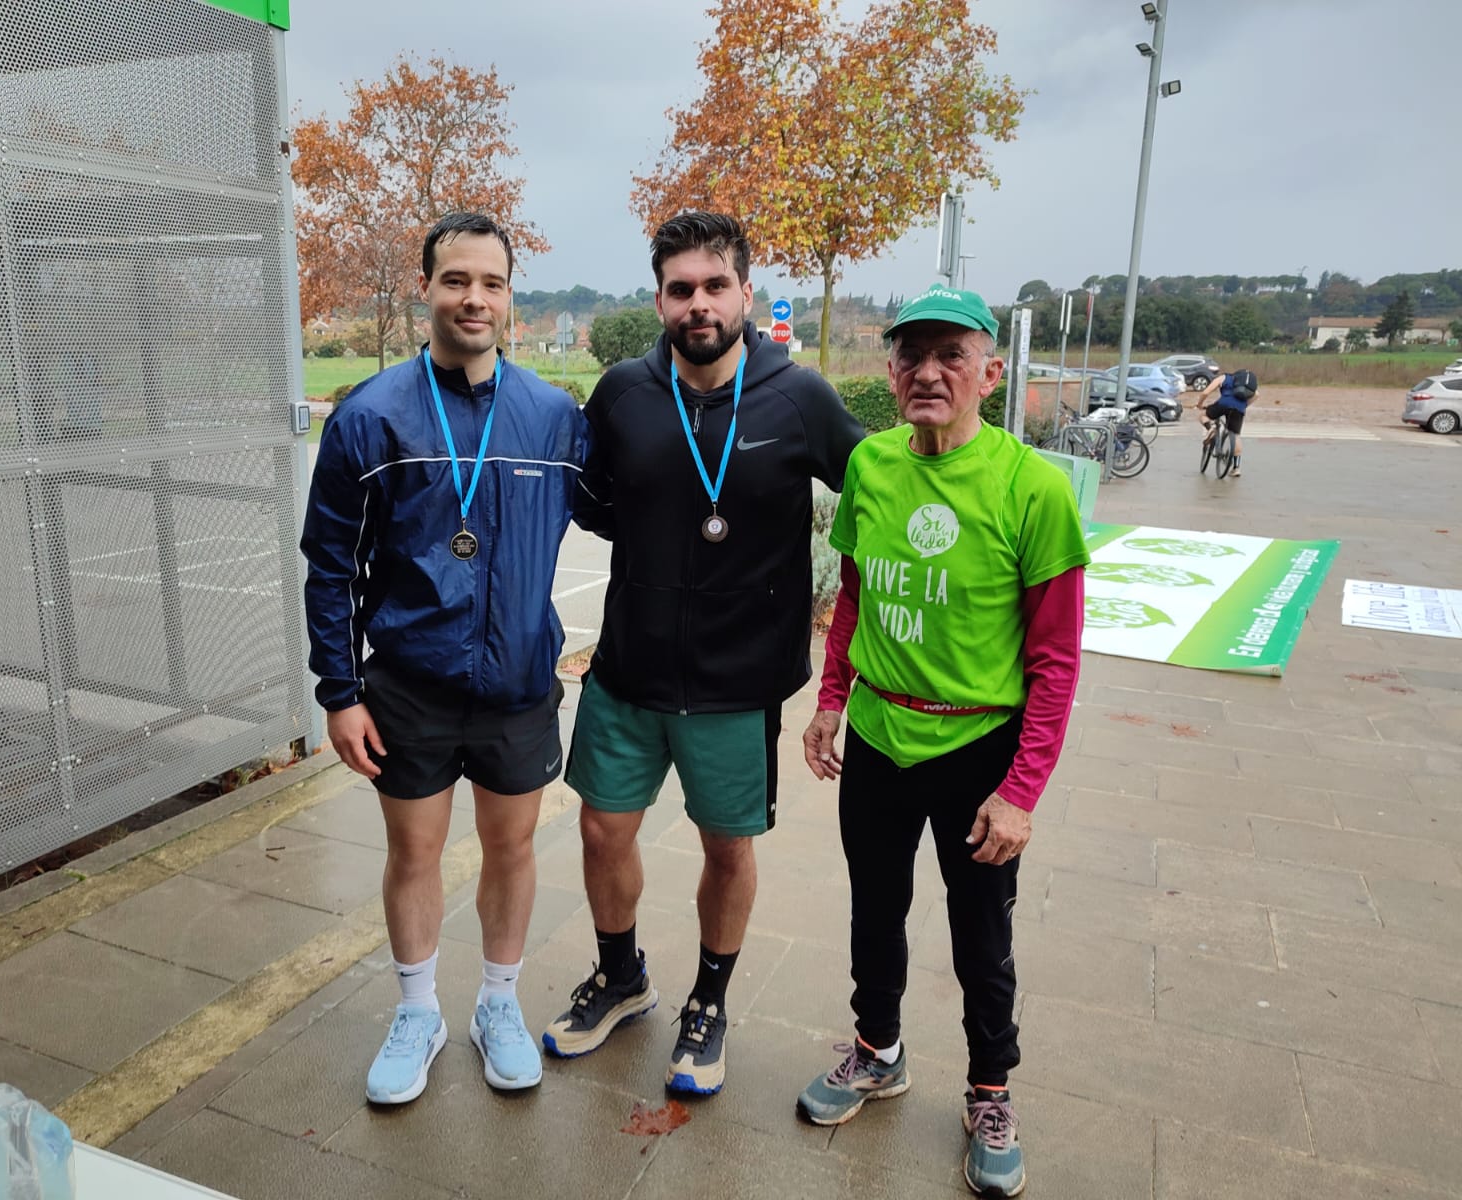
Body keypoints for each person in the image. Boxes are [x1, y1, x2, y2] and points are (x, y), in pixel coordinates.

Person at [542, 212, 863, 1096]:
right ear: (659, 300)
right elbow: (591, 500)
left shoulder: (799, 397)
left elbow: (876, 488)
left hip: (737, 680)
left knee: (727, 848)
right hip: (629, 668)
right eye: (680, 289)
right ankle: (621, 978)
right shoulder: (623, 393)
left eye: (716, 286)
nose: (699, 305)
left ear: (746, 295)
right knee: (602, 829)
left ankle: (709, 1002)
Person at [793, 284, 1089, 1199]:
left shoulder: (1033, 487)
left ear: (989, 374)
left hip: (978, 752)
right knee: (874, 910)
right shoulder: (872, 466)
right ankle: (877, 1050)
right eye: (911, 355)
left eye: (950, 355)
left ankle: (990, 1090)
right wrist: (831, 701)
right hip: (880, 740)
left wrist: (1021, 791)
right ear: (889, 371)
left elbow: (1057, 660)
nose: (928, 373)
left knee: (981, 933)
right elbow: (853, 596)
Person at [301, 212, 587, 1105]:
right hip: (409, 688)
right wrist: (339, 692)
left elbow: (631, 510)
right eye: (456, 279)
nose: (474, 298)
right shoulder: (371, 416)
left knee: (511, 849)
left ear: (510, 298)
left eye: (491, 283)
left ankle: (498, 1004)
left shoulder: (552, 417)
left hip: (516, 685)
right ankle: (418, 1011)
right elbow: (328, 564)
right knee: (414, 852)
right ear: (424, 287)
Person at [1196, 369, 1257, 476]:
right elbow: (1256, 394)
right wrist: (1244, 405)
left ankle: (1210, 428)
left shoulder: (1224, 377)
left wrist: (1200, 404)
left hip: (1223, 404)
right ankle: (1236, 468)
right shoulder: (1246, 384)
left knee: (1203, 415)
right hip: (1239, 409)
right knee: (1236, 435)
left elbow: (1205, 392)